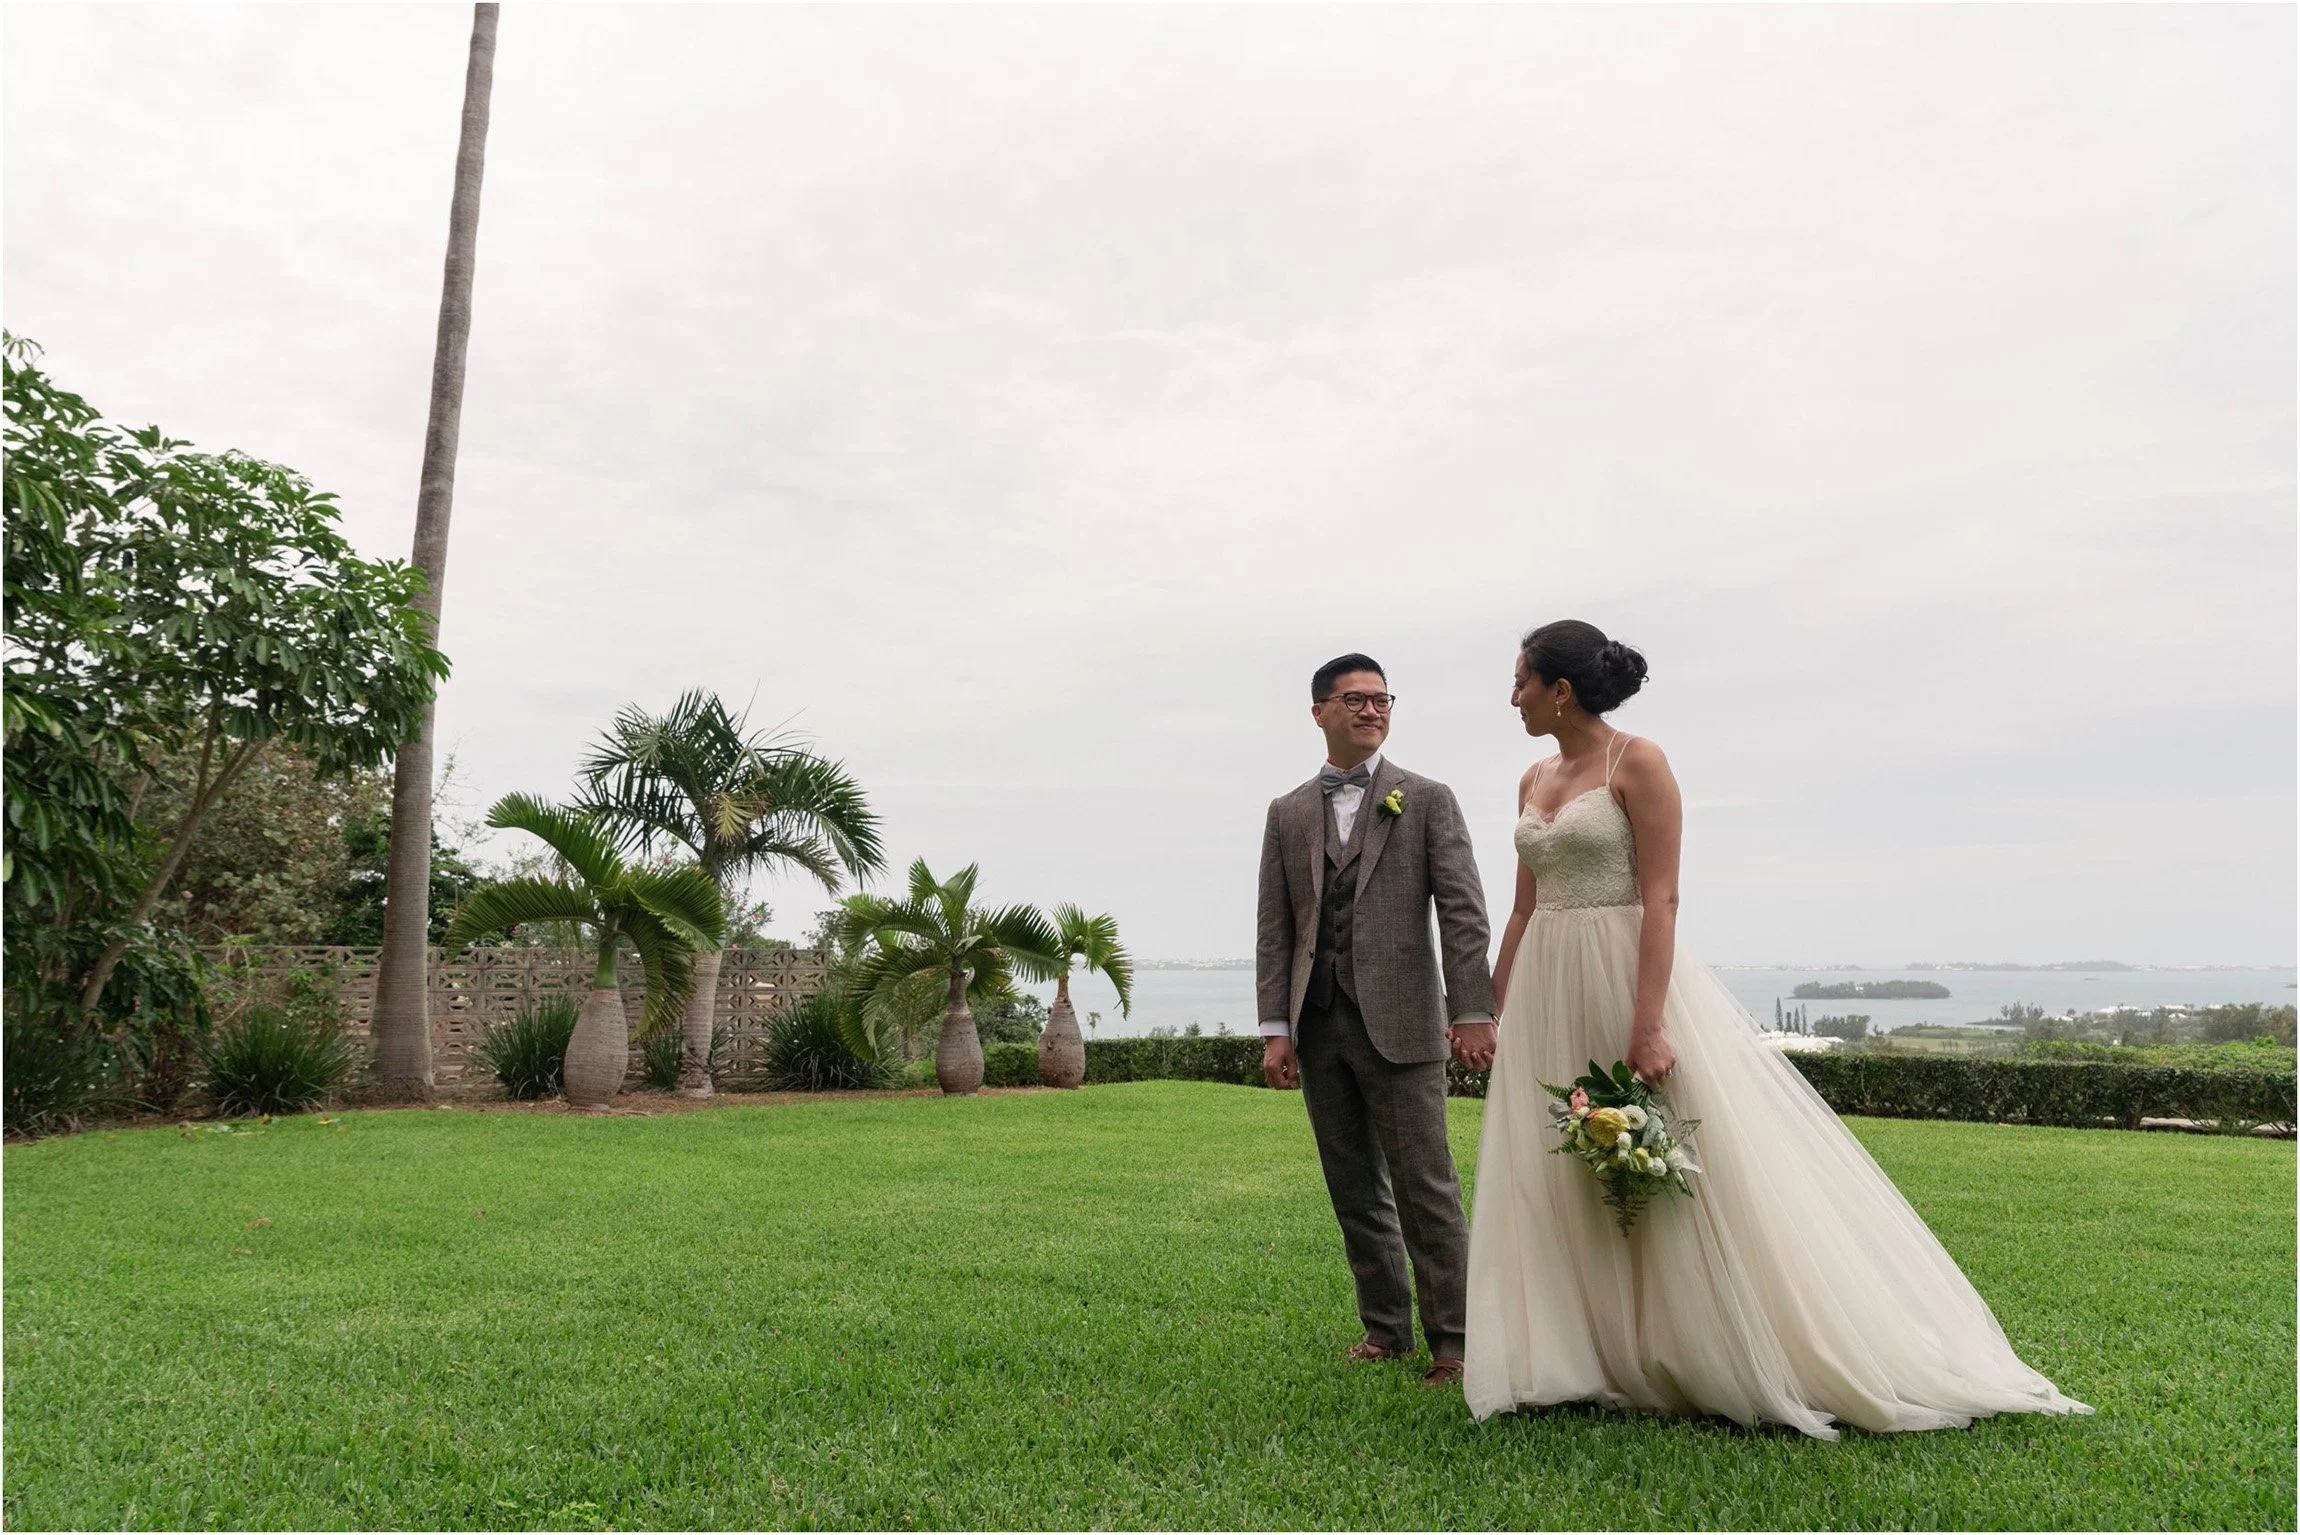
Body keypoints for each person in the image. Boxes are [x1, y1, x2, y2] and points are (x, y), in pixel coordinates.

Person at [1463, 619, 2090, 1438]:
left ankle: (1692, 1344)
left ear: (1561, 688)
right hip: (1547, 981)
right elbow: (1520, 907)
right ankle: (1577, 1351)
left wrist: (1646, 1023)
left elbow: (1663, 898)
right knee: (1556, 1163)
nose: (1511, 697)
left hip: (1622, 978)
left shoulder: (1638, 761)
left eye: (1520, 681)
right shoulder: (1532, 775)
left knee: (1670, 1165)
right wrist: (1484, 1006)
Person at [1257, 653, 1498, 1386]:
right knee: (1353, 1185)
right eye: (1354, 699)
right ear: (1319, 712)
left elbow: (1462, 912)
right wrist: (1276, 1027)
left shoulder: (1426, 799)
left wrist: (1474, 1009)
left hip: (1403, 1024)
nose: (1371, 710)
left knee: (1427, 1186)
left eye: (1381, 699)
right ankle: (1385, 1330)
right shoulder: (1288, 810)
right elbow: (1275, 927)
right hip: (1319, 1022)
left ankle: (1454, 1343)